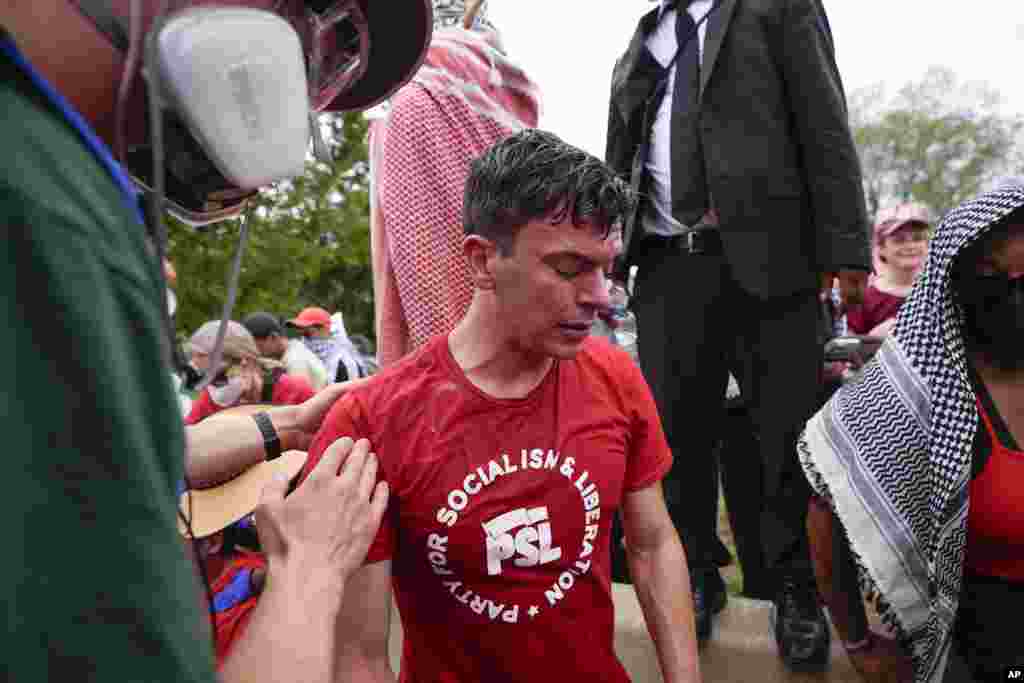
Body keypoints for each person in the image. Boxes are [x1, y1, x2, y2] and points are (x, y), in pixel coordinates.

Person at [1, 0, 431, 679]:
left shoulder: (44, 165)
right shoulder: (50, 220)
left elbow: (150, 460)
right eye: (311, 18)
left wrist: (288, 425)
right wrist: (310, 568)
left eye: (329, 60)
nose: (300, 90)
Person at [301, 129, 700, 682]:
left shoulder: (616, 378)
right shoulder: (372, 421)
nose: (599, 296)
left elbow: (653, 544)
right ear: (483, 261)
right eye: (568, 268)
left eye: (605, 268)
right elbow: (359, 654)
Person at [605, 0, 871, 667]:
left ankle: (796, 590)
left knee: (786, 434)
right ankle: (692, 573)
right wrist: (607, 248)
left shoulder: (776, 7)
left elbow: (824, 119)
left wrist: (847, 247)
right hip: (668, 260)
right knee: (676, 434)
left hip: (770, 255)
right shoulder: (646, 36)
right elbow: (622, 152)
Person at [800, 184, 1024, 683]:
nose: (1014, 295)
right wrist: (857, 642)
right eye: (993, 279)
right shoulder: (921, 385)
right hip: (976, 650)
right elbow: (827, 493)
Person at [369, 0, 541, 367]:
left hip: (449, 339)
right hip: (515, 315)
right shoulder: (512, 98)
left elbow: (414, 249)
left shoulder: (411, 99)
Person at [185, 320, 316, 425]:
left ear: (245, 362)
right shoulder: (210, 400)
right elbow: (184, 437)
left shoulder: (296, 392)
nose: (215, 388)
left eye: (219, 377)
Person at [847, 202, 932, 337]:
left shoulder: (937, 294)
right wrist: (873, 339)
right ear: (881, 248)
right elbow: (848, 350)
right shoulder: (864, 299)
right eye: (899, 240)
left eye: (917, 238)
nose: (910, 246)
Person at [242, 311, 330, 391]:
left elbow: (298, 403)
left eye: (257, 346)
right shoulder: (293, 350)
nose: (254, 351)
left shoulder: (296, 362)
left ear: (273, 337)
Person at [286, 306, 365, 383]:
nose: (304, 340)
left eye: (307, 334)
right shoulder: (299, 360)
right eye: (301, 335)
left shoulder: (345, 363)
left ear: (325, 330)